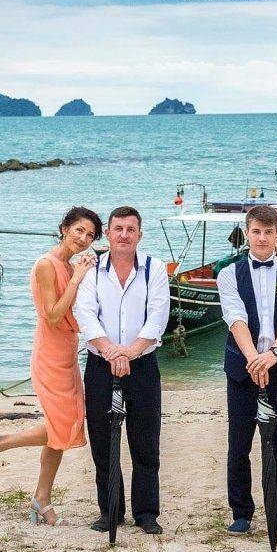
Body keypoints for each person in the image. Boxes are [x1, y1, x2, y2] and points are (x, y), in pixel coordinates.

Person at [0, 207, 99, 526]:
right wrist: (78, 277)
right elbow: (53, 315)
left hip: (68, 352)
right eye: (79, 230)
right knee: (64, 426)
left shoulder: (69, 265)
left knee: (63, 428)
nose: (83, 239)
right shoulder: (46, 264)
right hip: (50, 355)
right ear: (65, 228)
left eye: (90, 235)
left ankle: (42, 499)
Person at [73, 206, 170, 535]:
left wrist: (129, 351)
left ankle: (146, 513)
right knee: (103, 441)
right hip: (101, 364)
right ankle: (110, 510)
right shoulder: (92, 270)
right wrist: (111, 351)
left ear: (139, 235)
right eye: (118, 229)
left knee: (145, 440)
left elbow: (158, 316)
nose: (124, 235)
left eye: (131, 229)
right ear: (108, 234)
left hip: (142, 364)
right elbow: (86, 315)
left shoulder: (155, 268)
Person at [218, 204, 277, 537]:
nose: (262, 238)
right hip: (242, 367)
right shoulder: (229, 273)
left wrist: (274, 354)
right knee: (239, 442)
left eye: (269, 232)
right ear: (247, 233)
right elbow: (235, 317)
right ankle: (241, 513)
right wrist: (254, 358)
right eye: (256, 232)